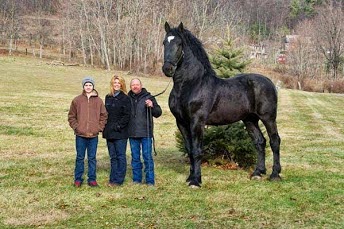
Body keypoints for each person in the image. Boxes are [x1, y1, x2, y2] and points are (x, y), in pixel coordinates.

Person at [68, 76, 107, 187]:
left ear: (93, 86)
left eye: (90, 85)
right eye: (86, 85)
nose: (88, 87)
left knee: (92, 158)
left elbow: (104, 115)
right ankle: (78, 179)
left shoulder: (99, 101)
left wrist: (99, 128)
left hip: (93, 135)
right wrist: (76, 127)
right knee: (80, 157)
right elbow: (71, 116)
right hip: (80, 135)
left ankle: (92, 179)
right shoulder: (77, 100)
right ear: (83, 87)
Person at [128, 78, 162, 186]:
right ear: (130, 87)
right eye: (133, 85)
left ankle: (150, 181)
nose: (135, 86)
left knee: (147, 157)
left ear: (141, 85)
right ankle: (137, 180)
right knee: (135, 158)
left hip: (146, 133)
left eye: (137, 84)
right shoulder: (127, 98)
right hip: (132, 133)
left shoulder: (149, 97)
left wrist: (151, 106)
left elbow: (158, 113)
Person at [103, 75, 131, 187]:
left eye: (118, 83)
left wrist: (118, 126)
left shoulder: (125, 98)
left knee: (120, 156)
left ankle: (119, 180)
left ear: (122, 84)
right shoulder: (108, 97)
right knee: (113, 157)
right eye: (115, 83)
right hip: (109, 132)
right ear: (112, 84)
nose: (116, 85)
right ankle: (112, 178)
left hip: (120, 133)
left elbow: (127, 115)